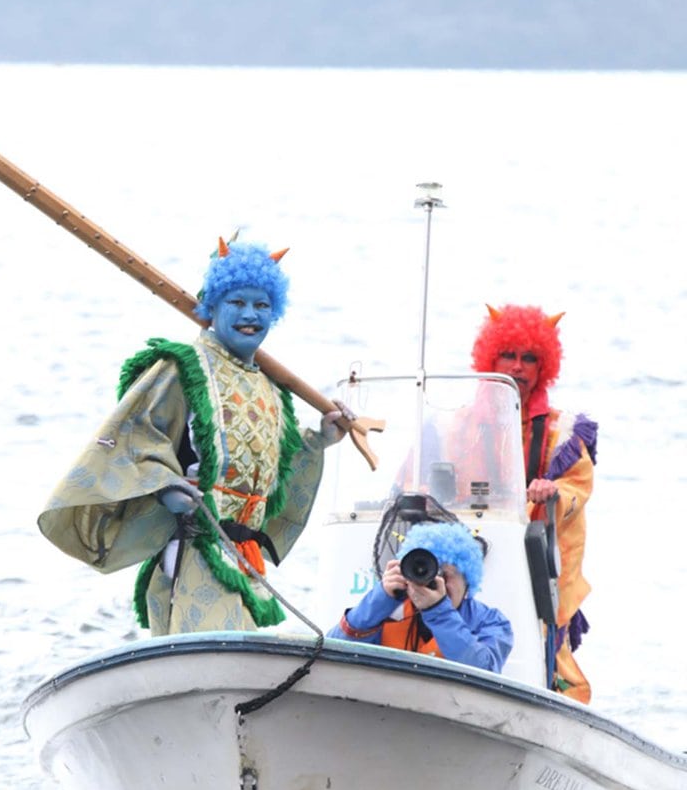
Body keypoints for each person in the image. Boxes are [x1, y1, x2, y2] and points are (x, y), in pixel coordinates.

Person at [38, 238, 348, 635]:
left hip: (248, 563)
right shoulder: (182, 368)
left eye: (261, 306)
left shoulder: (272, 389)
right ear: (211, 307)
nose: (250, 315)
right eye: (236, 303)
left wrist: (318, 440)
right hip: (194, 552)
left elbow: (271, 468)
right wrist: (165, 484)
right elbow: (136, 435)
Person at [471, 303, 597, 702]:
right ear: (490, 358)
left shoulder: (564, 432)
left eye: (529, 358)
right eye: (508, 355)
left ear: (544, 367)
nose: (518, 367)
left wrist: (553, 492)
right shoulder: (459, 423)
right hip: (474, 552)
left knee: (553, 658)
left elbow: (579, 489)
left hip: (535, 561)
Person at [328, 521, 513, 674]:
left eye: (446, 574)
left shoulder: (491, 621)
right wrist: (380, 598)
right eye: (427, 571)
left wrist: (438, 611)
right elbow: (332, 653)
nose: (436, 580)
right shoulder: (388, 610)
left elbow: (485, 671)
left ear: (468, 582)